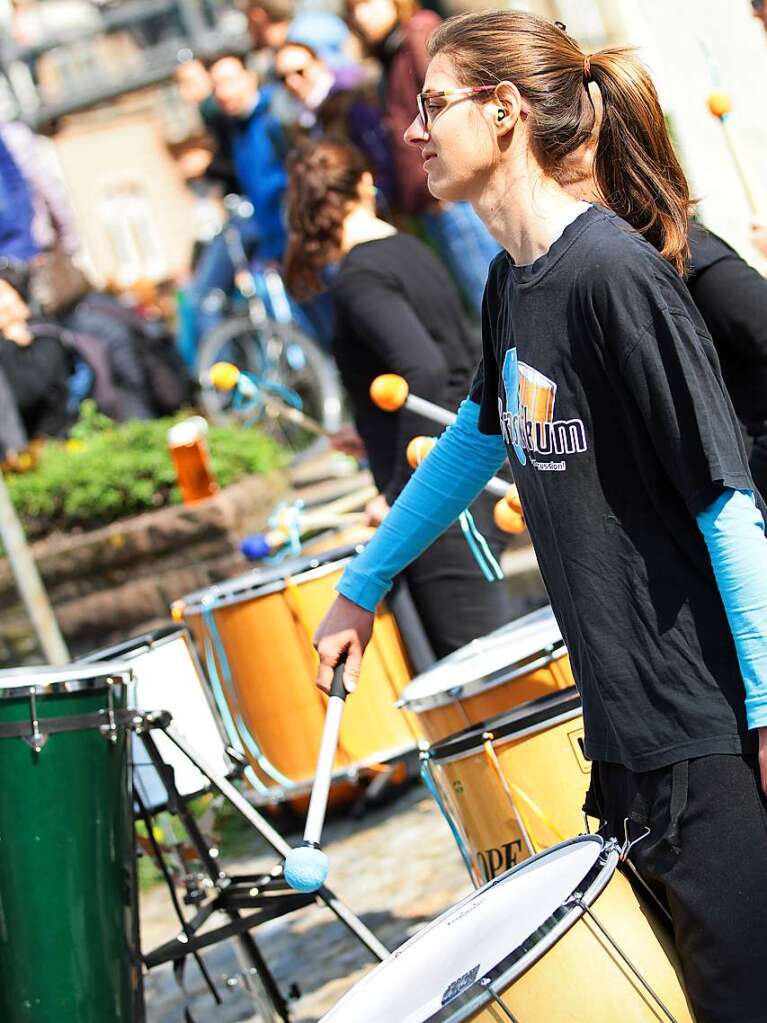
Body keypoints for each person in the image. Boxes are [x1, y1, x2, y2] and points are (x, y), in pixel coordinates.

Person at [312, 12, 767, 1022]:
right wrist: (360, 585)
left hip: (707, 734)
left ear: (505, 112)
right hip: (629, 736)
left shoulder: (611, 276)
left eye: (434, 106)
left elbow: (722, 504)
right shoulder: (514, 282)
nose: (414, 130)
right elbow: (476, 438)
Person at [284, 138, 513, 655]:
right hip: (464, 474)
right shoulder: (411, 248)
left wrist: (397, 492)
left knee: (487, 681)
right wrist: (370, 430)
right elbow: (448, 364)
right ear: (366, 185)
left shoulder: (358, 279)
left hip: (441, 499)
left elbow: (424, 370)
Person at [346, 0, 499, 316]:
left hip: (454, 198)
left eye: (370, 3)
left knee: (494, 300)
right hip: (434, 197)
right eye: (355, 8)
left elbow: (453, 100)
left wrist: (455, 177)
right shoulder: (389, 53)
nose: (363, 15)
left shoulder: (418, 32)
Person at [177, 53, 289, 368]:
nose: (222, 93)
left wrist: (207, 165)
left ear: (249, 78)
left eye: (228, 82)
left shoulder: (270, 116)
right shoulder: (237, 125)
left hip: (283, 230)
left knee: (205, 298)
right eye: (216, 86)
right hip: (270, 238)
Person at [274, 41, 395, 202]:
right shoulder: (304, 119)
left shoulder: (352, 100)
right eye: (283, 78)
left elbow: (383, 161)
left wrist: (374, 204)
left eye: (300, 72)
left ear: (319, 64)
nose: (292, 82)